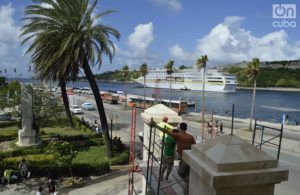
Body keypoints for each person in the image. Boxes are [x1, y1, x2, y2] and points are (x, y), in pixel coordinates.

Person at [163, 122, 196, 195]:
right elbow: (195, 146)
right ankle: (187, 185)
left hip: (183, 158)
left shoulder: (177, 135)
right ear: (186, 128)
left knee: (181, 173)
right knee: (185, 173)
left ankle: (187, 188)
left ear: (180, 128)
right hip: (189, 157)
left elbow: (167, 131)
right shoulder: (190, 137)